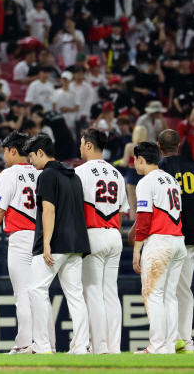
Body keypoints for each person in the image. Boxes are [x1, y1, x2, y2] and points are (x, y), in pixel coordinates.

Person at [0, 132, 50, 354]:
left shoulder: (9, 174)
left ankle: (25, 344)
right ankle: (47, 344)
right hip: (43, 239)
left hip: (21, 238)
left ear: (12, 150)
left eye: (4, 151)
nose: (4, 156)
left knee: (22, 294)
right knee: (41, 294)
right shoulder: (43, 171)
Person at [25, 133, 91, 355]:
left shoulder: (48, 175)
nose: (30, 161)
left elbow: (49, 210)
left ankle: (43, 346)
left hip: (56, 243)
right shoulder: (73, 175)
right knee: (75, 295)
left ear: (41, 153)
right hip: (76, 243)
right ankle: (81, 346)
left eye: (31, 155)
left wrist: (46, 244)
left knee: (36, 289)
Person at [75, 129, 128, 354]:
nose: (79, 147)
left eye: (81, 143)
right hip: (114, 235)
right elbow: (123, 211)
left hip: (92, 234)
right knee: (110, 292)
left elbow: (75, 209)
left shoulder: (79, 172)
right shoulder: (117, 173)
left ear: (88, 145)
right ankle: (113, 347)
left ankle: (99, 347)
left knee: (93, 292)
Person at [131, 141, 186, 354]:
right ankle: (169, 345)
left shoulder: (146, 182)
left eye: (135, 159)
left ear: (141, 159)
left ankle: (156, 345)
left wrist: (137, 249)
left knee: (152, 294)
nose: (134, 164)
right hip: (178, 241)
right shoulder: (171, 179)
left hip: (160, 241)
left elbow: (144, 218)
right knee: (169, 295)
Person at [156, 130, 194, 354]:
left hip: (169, 232)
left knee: (165, 289)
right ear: (179, 145)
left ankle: (170, 340)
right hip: (191, 233)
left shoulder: (160, 168)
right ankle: (187, 341)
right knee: (184, 289)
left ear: (158, 146)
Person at [122, 125, 147, 220]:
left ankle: (133, 228)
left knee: (133, 206)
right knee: (144, 205)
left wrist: (120, 162)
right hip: (143, 176)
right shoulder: (147, 148)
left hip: (132, 175)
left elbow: (124, 162)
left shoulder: (129, 147)